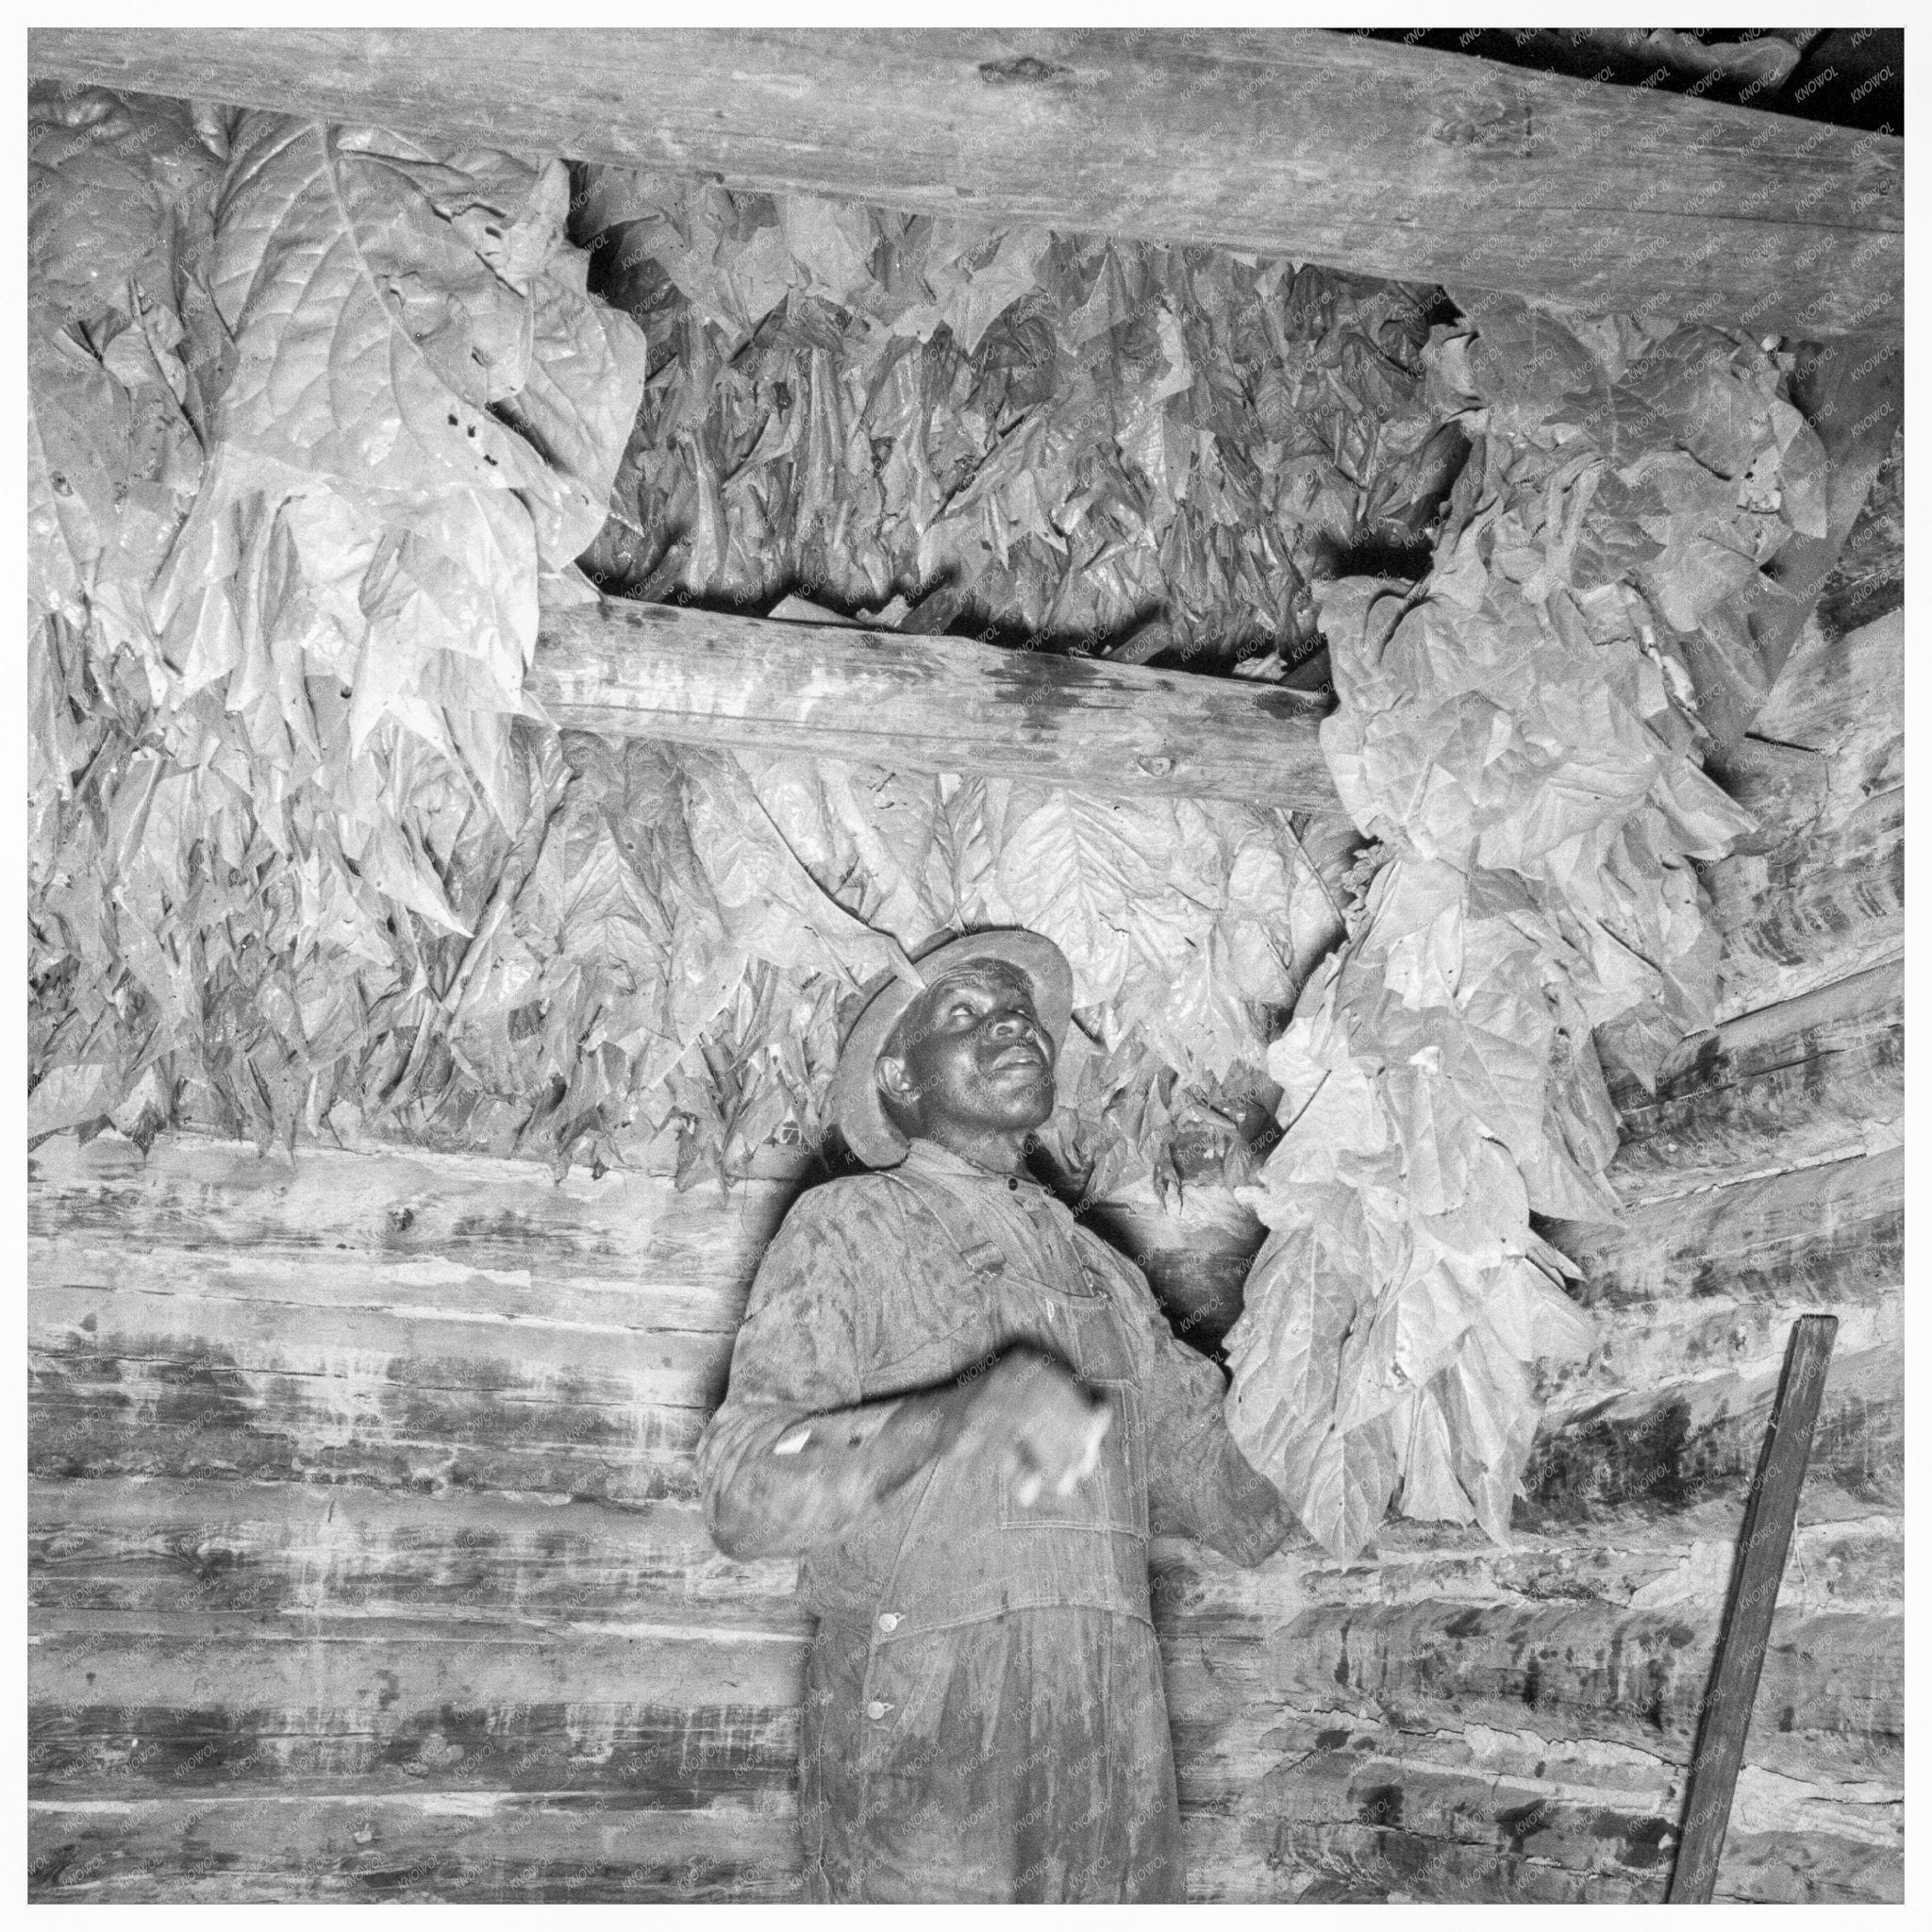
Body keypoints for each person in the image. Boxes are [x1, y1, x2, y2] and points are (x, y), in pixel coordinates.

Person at [695, 927, 1296, 1903]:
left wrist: (1356, 1388)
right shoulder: (850, 1225)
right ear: (898, 1075)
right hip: (934, 1731)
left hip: (1108, 1748)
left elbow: (1236, 1503)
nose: (1011, 1022)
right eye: (964, 1013)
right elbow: (742, 1495)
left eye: (1019, 1009)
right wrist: (959, 1412)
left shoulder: (1103, 1270)